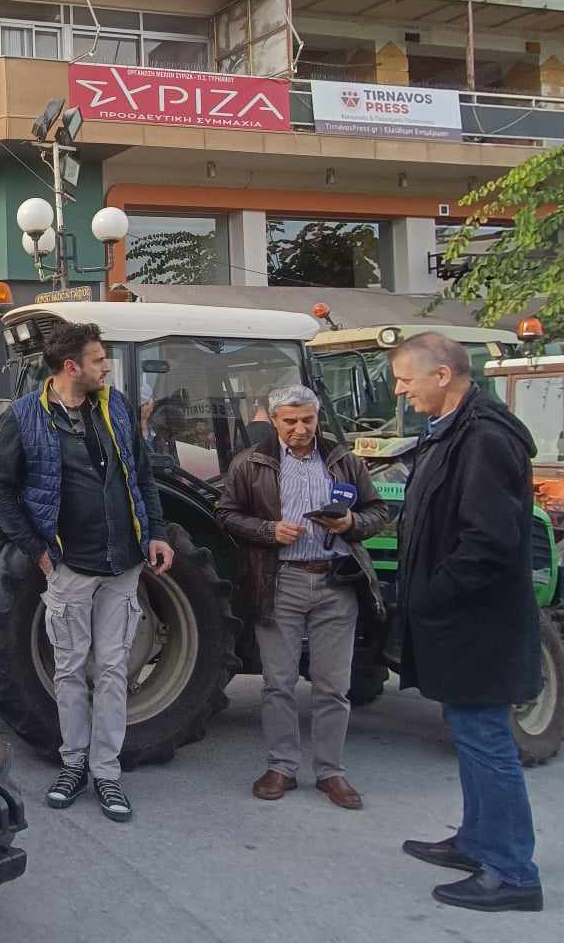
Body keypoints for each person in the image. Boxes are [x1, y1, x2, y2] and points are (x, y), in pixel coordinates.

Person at [0, 321, 173, 824]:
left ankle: (106, 773)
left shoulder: (115, 407)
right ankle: (73, 766)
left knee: (112, 669)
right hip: (69, 566)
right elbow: (2, 491)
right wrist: (37, 551)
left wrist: (155, 532)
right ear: (71, 367)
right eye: (97, 359)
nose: (106, 366)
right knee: (70, 670)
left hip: (123, 565)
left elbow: (141, 473)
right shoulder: (25, 417)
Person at [392, 332, 545, 912]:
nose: (401, 391)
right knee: (473, 736)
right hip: (460, 621)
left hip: (476, 623)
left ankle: (511, 872)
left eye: (406, 379)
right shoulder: (455, 431)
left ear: (443, 375)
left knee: (487, 742)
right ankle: (480, 841)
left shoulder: (483, 438)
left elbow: (489, 541)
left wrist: (431, 596)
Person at [217, 384, 388, 810]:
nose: (300, 429)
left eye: (307, 420)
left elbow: (379, 511)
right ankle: (282, 767)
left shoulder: (343, 460)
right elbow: (225, 513)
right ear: (273, 421)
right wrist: (268, 531)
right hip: (280, 581)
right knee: (279, 683)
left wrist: (351, 522)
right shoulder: (251, 463)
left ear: (317, 418)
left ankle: (331, 772)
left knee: (334, 685)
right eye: (290, 421)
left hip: (335, 583)